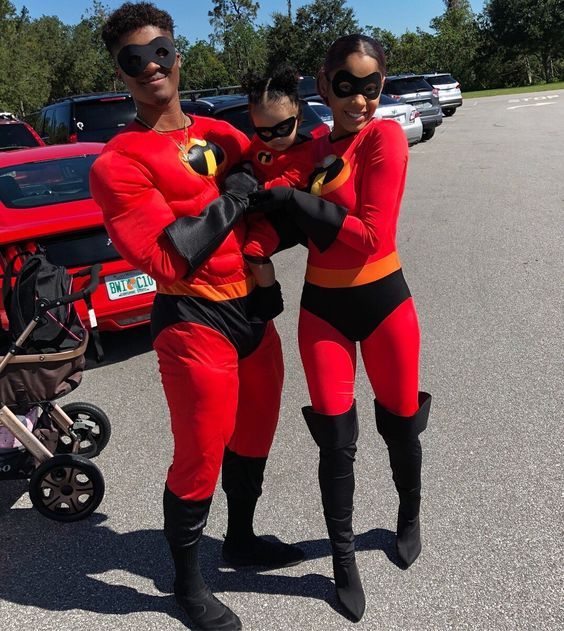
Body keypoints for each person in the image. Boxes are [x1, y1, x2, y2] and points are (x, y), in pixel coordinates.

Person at [89, 4, 303, 630]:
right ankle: (186, 585)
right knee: (200, 451)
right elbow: (164, 256)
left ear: (178, 54)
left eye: (159, 50)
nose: (151, 66)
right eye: (134, 59)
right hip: (193, 316)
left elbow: (282, 190)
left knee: (257, 430)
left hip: (251, 310)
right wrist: (236, 199)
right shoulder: (117, 162)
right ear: (121, 73)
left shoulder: (225, 134)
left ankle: (240, 538)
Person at [250, 34, 432, 621]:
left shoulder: (383, 138)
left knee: (400, 424)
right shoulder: (311, 150)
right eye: (346, 86)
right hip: (323, 310)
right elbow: (288, 227)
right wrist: (254, 238)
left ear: (383, 84)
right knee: (335, 441)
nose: (359, 99)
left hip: (383, 303)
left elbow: (372, 235)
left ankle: (408, 515)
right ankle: (343, 560)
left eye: (370, 85)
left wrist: (290, 201)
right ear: (323, 86)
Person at [240, 65, 328, 294]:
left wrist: (254, 191)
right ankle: (260, 290)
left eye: (283, 128)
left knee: (253, 250)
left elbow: (287, 182)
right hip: (259, 211)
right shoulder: (258, 145)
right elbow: (248, 159)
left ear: (298, 118)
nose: (275, 138)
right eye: (265, 132)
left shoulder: (305, 151)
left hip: (285, 214)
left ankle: (268, 295)